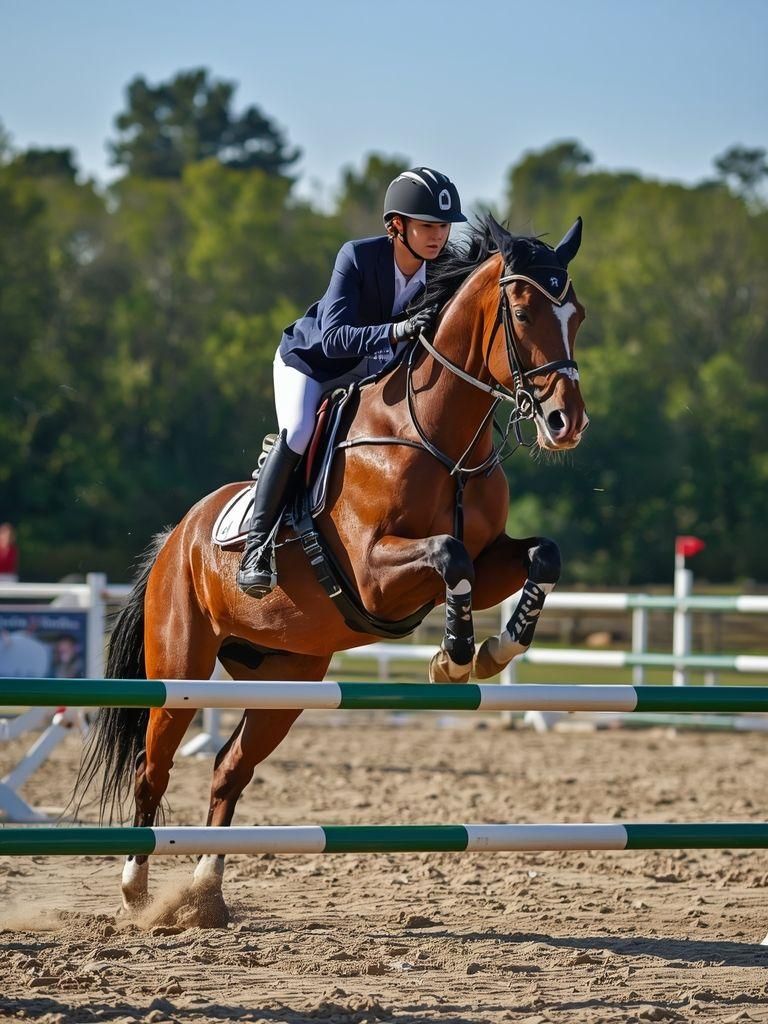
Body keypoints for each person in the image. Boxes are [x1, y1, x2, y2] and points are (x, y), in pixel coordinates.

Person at [238, 167, 467, 597]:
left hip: (371, 372)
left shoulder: (443, 271)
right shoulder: (357, 257)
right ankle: (256, 546)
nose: (439, 235)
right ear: (397, 226)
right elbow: (334, 338)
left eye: (444, 226)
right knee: (300, 431)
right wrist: (395, 331)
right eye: (428, 226)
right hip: (312, 364)